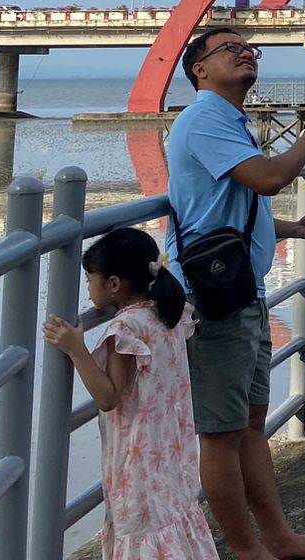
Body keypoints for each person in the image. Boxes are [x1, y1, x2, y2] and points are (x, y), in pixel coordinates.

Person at [166, 28, 305, 560]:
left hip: (238, 291)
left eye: (252, 48)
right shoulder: (204, 118)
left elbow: (230, 207)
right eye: (230, 48)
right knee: (222, 434)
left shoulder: (231, 121)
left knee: (249, 425)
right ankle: (250, 551)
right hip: (210, 301)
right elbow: (269, 179)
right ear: (198, 69)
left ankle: (280, 540)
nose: (246, 52)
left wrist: (293, 230)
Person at [41, 228, 217, 560]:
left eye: (90, 279)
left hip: (137, 463)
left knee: (142, 534)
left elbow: (109, 396)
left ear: (114, 285)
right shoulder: (169, 313)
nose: (89, 288)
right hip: (172, 455)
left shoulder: (125, 329)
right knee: (172, 524)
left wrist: (75, 348)